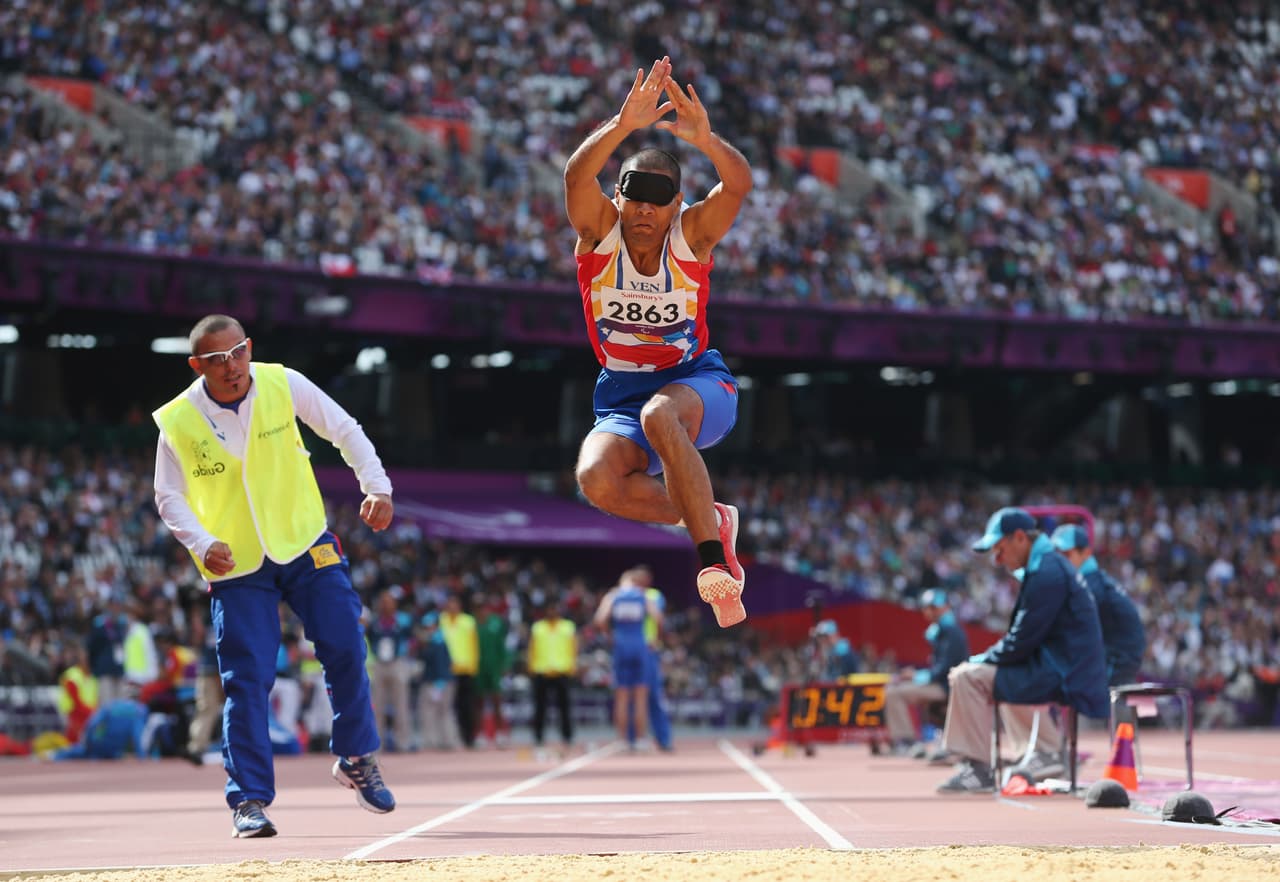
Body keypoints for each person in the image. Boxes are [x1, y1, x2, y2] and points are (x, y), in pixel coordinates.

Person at [152, 314, 396, 838]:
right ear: (197, 365)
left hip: (305, 540)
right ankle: (248, 800)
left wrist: (376, 486)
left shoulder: (284, 383)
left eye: (237, 352)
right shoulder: (178, 420)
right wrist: (201, 541)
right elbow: (168, 496)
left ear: (249, 348)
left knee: (346, 646)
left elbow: (343, 429)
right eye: (216, 360)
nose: (231, 366)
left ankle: (356, 756)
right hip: (237, 563)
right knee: (247, 678)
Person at [564, 55, 753, 629]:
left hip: (697, 384)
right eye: (634, 198)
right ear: (618, 199)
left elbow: (739, 182)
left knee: (658, 416)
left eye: (658, 200)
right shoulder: (599, 234)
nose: (645, 210)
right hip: (619, 391)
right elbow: (575, 178)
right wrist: (622, 126)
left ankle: (712, 564)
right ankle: (711, 519)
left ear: (676, 205)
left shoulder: (691, 235)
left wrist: (707, 138)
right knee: (595, 479)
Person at [937, 507, 1108, 793]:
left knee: (968, 677)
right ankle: (1042, 751)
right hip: (1065, 666)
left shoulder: (1047, 572)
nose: (998, 559)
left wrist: (982, 660)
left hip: (1064, 673)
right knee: (996, 673)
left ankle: (978, 769)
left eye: (999, 549)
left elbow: (1021, 640)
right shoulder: (1048, 565)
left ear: (1019, 538)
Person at [1050, 524, 1147, 686]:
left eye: (1066, 554)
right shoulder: (1088, 580)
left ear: (1086, 553)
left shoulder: (1090, 585)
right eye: (1056, 555)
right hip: (1109, 655)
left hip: (1117, 660)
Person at [880, 588, 970, 756]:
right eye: (927, 607)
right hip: (941, 683)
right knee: (894, 688)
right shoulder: (940, 630)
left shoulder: (951, 631)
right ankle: (909, 742)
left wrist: (915, 676)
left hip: (948, 687)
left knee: (894, 693)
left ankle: (906, 742)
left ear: (945, 607)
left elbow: (944, 670)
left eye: (934, 607)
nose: (929, 611)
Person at [594, 567, 662, 749]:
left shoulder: (613, 596)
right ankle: (640, 739)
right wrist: (654, 639)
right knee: (640, 695)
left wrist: (609, 636)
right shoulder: (642, 596)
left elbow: (600, 619)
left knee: (622, 696)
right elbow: (658, 617)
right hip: (639, 646)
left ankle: (622, 740)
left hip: (621, 646)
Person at [367, 589, 414, 752]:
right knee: (377, 705)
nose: (386, 605)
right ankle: (377, 744)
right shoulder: (375, 621)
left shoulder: (404, 620)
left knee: (401, 704)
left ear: (395, 604)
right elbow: (371, 638)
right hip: (379, 663)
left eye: (389, 601)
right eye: (383, 601)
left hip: (397, 662)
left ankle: (403, 742)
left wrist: (406, 654)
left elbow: (411, 638)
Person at [527, 602, 578, 754]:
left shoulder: (567, 627)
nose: (552, 611)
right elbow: (532, 647)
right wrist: (531, 666)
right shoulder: (538, 628)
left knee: (565, 707)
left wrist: (573, 665)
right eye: (549, 608)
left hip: (562, 670)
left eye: (554, 608)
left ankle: (567, 736)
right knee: (540, 707)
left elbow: (574, 646)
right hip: (541, 670)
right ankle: (538, 737)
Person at [439, 593, 479, 748]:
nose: (452, 607)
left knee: (466, 706)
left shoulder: (468, 621)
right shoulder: (441, 620)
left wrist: (474, 666)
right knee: (448, 706)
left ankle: (469, 738)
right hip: (447, 669)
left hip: (465, 668)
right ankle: (450, 739)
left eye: (454, 603)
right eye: (449, 603)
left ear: (460, 606)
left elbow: (474, 644)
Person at [476, 595, 511, 746]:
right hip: (477, 668)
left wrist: (505, 665)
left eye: (484, 607)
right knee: (479, 703)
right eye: (478, 607)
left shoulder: (496, 622)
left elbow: (502, 646)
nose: (482, 610)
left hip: (495, 668)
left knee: (497, 701)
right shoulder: (471, 623)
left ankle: (501, 734)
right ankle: (480, 735)